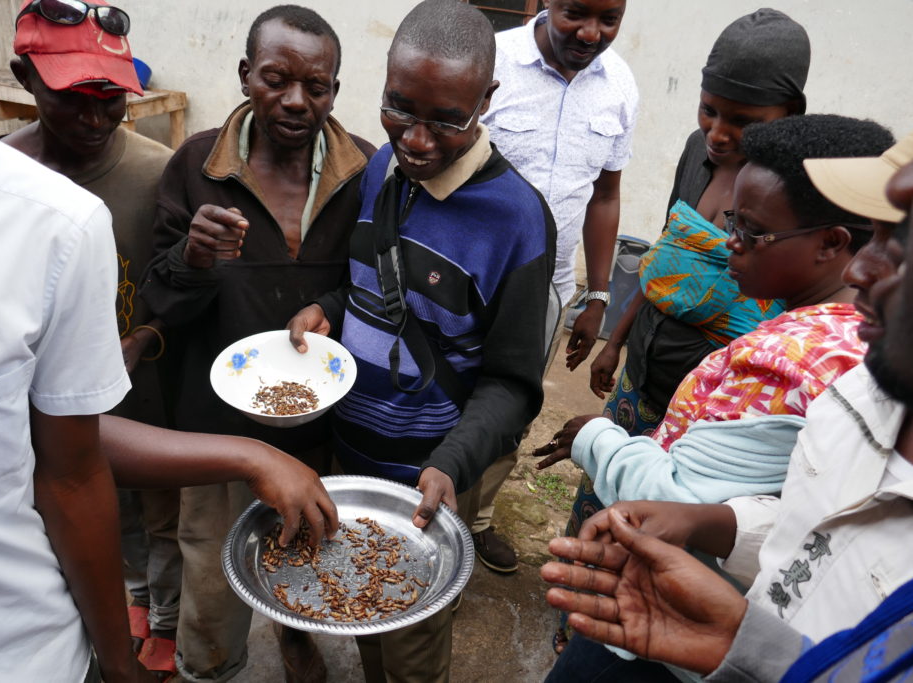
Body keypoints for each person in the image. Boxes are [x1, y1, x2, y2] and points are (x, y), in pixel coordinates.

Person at [540, 105, 913, 682]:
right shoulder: (862, 384)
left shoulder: (791, 356)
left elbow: (676, 491)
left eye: (903, 252)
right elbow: (813, 532)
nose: (866, 272)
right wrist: (721, 534)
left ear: (830, 243)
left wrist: (598, 439)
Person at [286, 1, 555, 679]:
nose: (417, 139)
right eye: (399, 107)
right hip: (352, 457)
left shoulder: (518, 222)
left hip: (430, 480)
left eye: (447, 120)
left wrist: (454, 461)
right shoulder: (382, 170)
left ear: (486, 101)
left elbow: (513, 382)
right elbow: (372, 283)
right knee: (361, 608)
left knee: (412, 645)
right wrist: (325, 307)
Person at [535, 15, 811, 634]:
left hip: (707, 411)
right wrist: (619, 337)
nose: (717, 133)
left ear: (789, 113)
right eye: (709, 111)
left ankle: (620, 632)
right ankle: (576, 612)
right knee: (607, 492)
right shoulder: (696, 153)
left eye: (743, 122)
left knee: (660, 527)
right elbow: (666, 254)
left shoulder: (793, 191)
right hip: (644, 374)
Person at [140, 5, 375, 681]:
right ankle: (210, 664)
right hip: (216, 432)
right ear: (246, 76)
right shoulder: (197, 167)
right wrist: (194, 256)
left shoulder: (363, 172)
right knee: (214, 578)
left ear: (335, 89)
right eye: (276, 78)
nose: (297, 101)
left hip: (321, 420)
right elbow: (160, 299)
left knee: (304, 550)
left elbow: (367, 286)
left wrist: (326, 305)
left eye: (318, 86)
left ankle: (294, 631)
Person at [2, 3, 181, 675]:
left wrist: (146, 338)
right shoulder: (1, 182)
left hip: (147, 386)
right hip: (49, 402)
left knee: (161, 508)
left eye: (111, 98)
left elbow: (177, 286)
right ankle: (124, 597)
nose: (95, 117)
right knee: (92, 503)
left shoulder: (156, 173)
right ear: (25, 76)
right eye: (74, 97)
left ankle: (163, 617)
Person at [471, 0, 638, 574]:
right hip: (465, 280)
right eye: (575, 13)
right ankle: (424, 506)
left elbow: (606, 196)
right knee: (442, 396)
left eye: (609, 20)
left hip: (546, 290)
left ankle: (476, 521)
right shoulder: (493, 59)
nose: (591, 33)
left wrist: (595, 296)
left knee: (511, 404)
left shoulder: (619, 85)